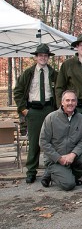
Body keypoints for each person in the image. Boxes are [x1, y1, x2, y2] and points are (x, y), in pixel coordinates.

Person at [14, 44, 58, 184]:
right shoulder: (29, 73)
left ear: (48, 58)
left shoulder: (53, 73)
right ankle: (31, 171)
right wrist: (23, 109)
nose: (43, 58)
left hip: (50, 108)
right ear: (36, 57)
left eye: (45, 56)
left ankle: (50, 170)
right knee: (34, 142)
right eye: (40, 56)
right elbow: (18, 92)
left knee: (52, 141)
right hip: (33, 110)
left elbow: (59, 90)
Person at [39, 90, 82, 190]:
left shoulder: (81, 118)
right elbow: (43, 142)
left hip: (72, 156)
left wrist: (73, 154)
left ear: (76, 102)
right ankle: (53, 173)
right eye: (67, 100)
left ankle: (64, 175)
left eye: (73, 100)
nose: (70, 103)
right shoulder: (51, 118)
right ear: (62, 102)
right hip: (55, 158)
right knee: (69, 185)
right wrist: (58, 158)